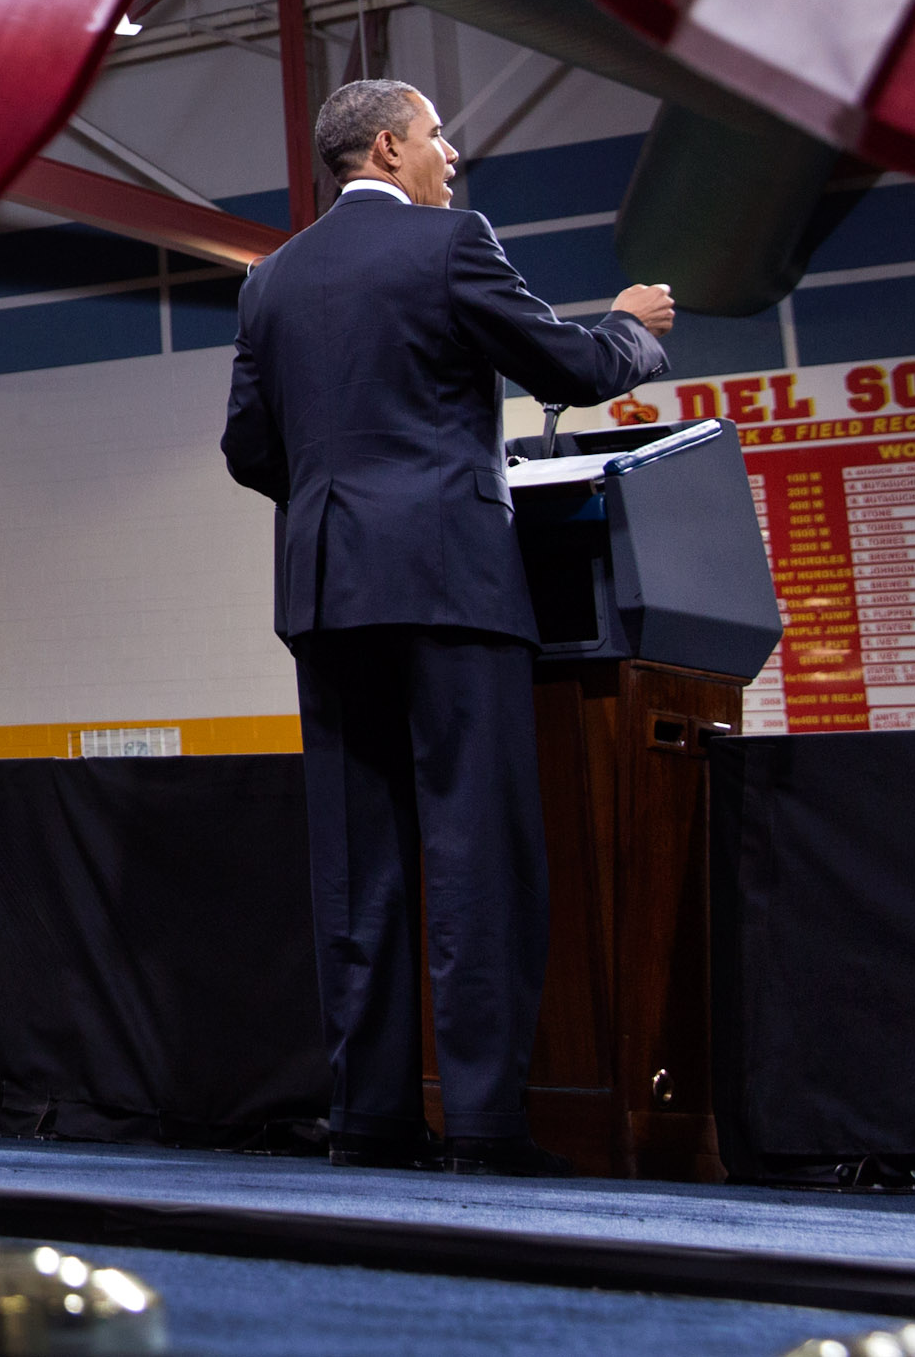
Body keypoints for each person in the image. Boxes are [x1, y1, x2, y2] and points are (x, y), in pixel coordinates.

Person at [221, 77, 674, 1180]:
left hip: (327, 594)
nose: (451, 152)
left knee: (357, 867)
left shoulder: (270, 281)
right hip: (449, 586)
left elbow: (246, 449)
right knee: (478, 855)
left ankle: (368, 1121)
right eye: (436, 134)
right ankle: (481, 1125)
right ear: (388, 146)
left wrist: (342, 494)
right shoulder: (447, 243)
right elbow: (564, 365)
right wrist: (630, 328)